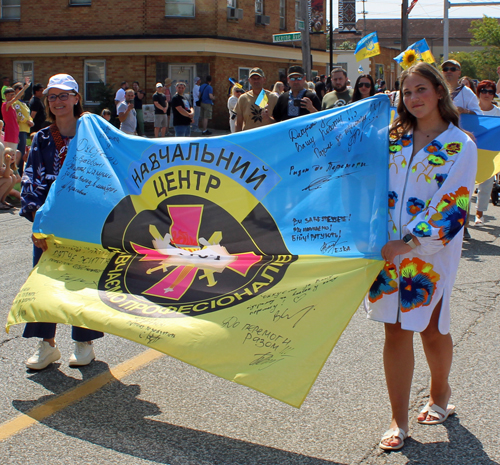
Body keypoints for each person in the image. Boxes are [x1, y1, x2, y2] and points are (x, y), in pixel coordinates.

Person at [365, 62, 477, 451]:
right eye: (406, 92)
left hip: (430, 253)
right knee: (394, 330)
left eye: (420, 90)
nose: (412, 98)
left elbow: (455, 204)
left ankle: (440, 393)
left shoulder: (459, 145)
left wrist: (411, 243)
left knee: (430, 329)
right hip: (385, 251)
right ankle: (398, 419)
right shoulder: (390, 137)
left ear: (439, 91)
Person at [20, 73, 104, 370]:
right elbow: (30, 180)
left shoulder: (94, 133)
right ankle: (47, 345)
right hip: (51, 222)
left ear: (76, 98)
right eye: (52, 97)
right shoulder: (42, 138)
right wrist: (36, 219)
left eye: (64, 95)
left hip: (86, 222)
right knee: (44, 281)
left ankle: (84, 343)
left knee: (81, 282)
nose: (58, 101)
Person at [441, 59, 481, 240]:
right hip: (440, 144)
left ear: (459, 72)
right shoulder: (438, 91)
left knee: (462, 184)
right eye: (445, 69)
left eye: (453, 69)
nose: (449, 71)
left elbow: (478, 115)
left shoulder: (467, 93)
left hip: (461, 144)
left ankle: (462, 224)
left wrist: (464, 110)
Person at [474, 80, 500, 225]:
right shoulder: (471, 111)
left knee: (486, 185)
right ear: (478, 93)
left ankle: (479, 214)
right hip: (471, 152)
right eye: (484, 90)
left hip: (489, 153)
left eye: (490, 92)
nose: (487, 94)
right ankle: (463, 219)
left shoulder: (498, 113)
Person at [235, 68, 278, 132]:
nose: (256, 81)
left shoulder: (273, 98)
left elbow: (280, 123)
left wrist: (268, 119)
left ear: (264, 79)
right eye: (253, 79)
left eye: (258, 78)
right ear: (249, 80)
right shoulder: (243, 98)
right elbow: (238, 123)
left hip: (267, 138)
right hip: (249, 138)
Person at [2, 79, 31, 152]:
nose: (11, 97)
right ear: (5, 96)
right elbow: (16, 98)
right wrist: (25, 88)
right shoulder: (5, 104)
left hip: (15, 131)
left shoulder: (12, 106)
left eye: (12, 94)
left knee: (15, 153)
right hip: (10, 132)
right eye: (9, 95)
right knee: (10, 153)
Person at [12, 82, 34, 175]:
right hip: (19, 128)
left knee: (22, 150)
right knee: (20, 151)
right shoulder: (15, 102)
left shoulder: (23, 102)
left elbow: (27, 114)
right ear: (15, 90)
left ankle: (20, 172)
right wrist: (26, 121)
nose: (21, 90)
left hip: (25, 129)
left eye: (22, 88)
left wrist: (31, 120)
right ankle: (18, 173)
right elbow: (18, 114)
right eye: (19, 88)